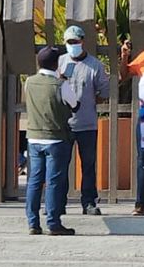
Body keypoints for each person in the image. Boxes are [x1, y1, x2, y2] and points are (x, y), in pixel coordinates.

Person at [24, 45, 80, 236]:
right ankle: (53, 223)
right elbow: (75, 105)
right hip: (56, 138)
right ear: (57, 64)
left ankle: (33, 223)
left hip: (33, 137)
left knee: (34, 181)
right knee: (53, 181)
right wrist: (63, 80)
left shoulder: (29, 82)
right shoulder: (60, 85)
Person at [59, 25, 111, 215]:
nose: (73, 45)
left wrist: (89, 101)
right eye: (69, 42)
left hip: (87, 124)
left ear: (83, 41)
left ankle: (88, 202)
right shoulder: (60, 62)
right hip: (63, 125)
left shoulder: (95, 65)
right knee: (60, 166)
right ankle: (58, 203)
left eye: (76, 41)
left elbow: (104, 92)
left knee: (88, 166)